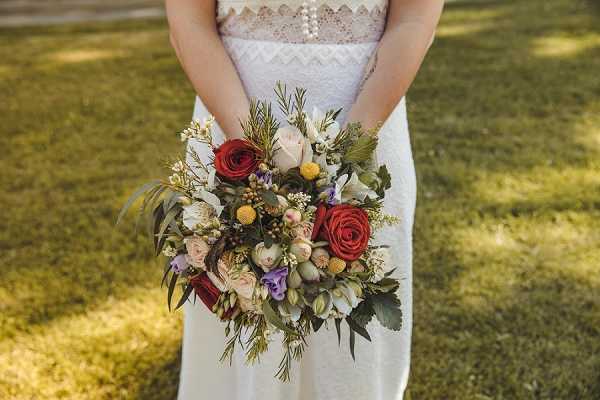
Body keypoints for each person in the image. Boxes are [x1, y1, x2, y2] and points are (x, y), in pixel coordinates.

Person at [166, 1, 444, 399]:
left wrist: (346, 156)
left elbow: (414, 20)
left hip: (368, 124)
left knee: (351, 343)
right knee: (242, 330)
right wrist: (254, 151)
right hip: (232, 132)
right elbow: (190, 25)